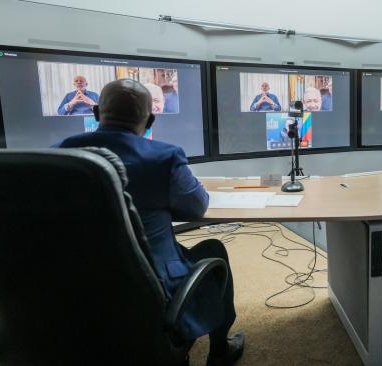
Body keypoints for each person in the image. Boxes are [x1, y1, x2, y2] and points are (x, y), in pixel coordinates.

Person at [55, 79, 244, 366]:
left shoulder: (58, 154)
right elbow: (196, 207)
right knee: (213, 249)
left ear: (96, 113)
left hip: (81, 280)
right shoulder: (163, 156)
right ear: (151, 119)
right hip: (150, 285)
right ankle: (220, 351)